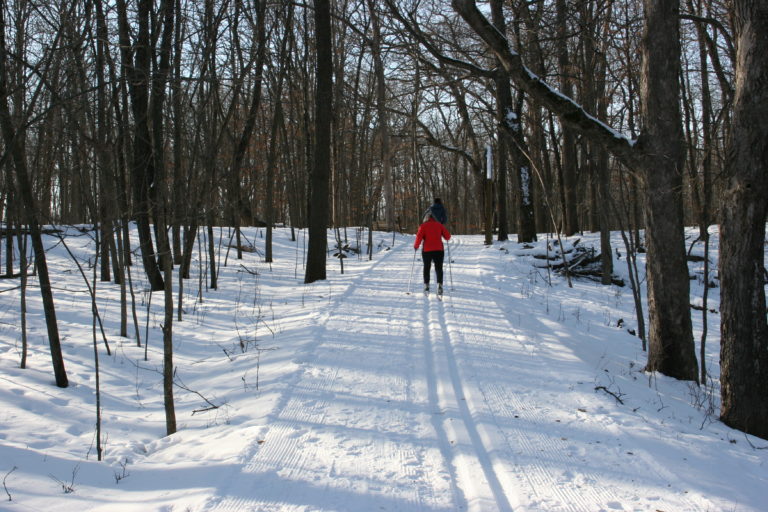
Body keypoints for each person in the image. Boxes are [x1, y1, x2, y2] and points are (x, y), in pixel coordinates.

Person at [414, 212, 451, 294]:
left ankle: (426, 285)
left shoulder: (423, 226)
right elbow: (448, 236)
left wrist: (416, 246)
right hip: (439, 250)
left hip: (427, 250)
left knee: (426, 267)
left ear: (425, 219)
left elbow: (419, 237)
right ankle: (440, 285)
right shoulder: (439, 225)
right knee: (439, 267)